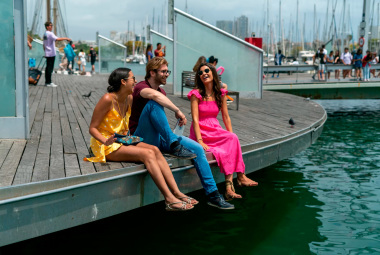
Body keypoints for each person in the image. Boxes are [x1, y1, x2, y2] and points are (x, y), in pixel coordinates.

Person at [129, 57, 234, 209]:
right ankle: (173, 143)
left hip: (159, 138)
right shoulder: (141, 87)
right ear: (152, 73)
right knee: (153, 104)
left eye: (167, 71)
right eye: (163, 72)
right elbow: (154, 96)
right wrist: (177, 110)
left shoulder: (162, 91)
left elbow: (158, 114)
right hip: (140, 138)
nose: (167, 74)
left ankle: (213, 195)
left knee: (198, 149)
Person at [84, 68, 195, 211]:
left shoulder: (128, 98)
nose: (135, 81)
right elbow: (92, 128)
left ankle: (177, 192)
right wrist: (105, 141)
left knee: (155, 150)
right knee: (147, 154)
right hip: (105, 145)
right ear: (123, 82)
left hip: (121, 140)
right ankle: (169, 198)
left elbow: (123, 126)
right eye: (133, 78)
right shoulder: (107, 99)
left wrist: (128, 138)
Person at [188, 63, 258, 200]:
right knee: (222, 151)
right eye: (200, 72)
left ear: (213, 73)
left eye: (207, 70)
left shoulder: (221, 93)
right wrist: (200, 140)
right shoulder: (196, 94)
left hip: (215, 128)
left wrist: (231, 136)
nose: (204, 73)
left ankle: (231, 185)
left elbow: (226, 116)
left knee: (232, 139)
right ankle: (235, 181)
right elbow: (195, 120)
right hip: (201, 131)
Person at [43, 21, 71, 87]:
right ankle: (49, 82)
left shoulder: (45, 34)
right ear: (47, 27)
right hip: (51, 53)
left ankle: (47, 82)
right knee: (50, 68)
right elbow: (57, 39)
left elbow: (44, 44)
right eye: (50, 25)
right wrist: (66, 38)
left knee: (47, 68)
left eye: (52, 25)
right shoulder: (50, 33)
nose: (52, 26)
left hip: (47, 53)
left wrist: (45, 52)